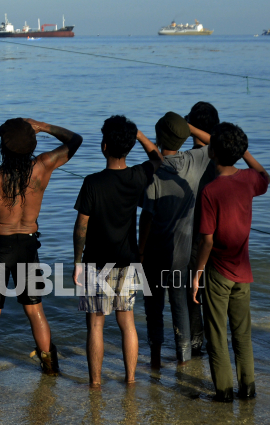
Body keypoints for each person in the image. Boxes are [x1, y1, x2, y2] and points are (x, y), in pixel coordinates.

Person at [0, 118, 82, 383]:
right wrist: (43, 126)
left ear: (3, 147)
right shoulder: (41, 167)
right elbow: (75, 140)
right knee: (35, 309)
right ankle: (50, 369)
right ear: (32, 145)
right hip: (28, 245)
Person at [72, 115, 162, 388]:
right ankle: (131, 379)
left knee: (96, 325)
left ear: (103, 146)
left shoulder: (92, 182)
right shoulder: (137, 177)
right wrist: (140, 136)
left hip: (96, 262)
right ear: (129, 146)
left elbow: (81, 227)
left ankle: (95, 383)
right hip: (128, 260)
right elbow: (158, 159)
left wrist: (77, 260)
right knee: (128, 323)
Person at [192, 123, 270, 402]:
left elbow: (207, 241)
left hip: (218, 272)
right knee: (242, 334)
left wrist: (197, 274)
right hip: (243, 271)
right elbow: (264, 175)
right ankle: (248, 390)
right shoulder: (249, 179)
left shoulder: (210, 191)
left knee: (216, 334)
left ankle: (223, 393)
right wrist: (244, 151)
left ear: (212, 151)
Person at [138, 113, 212, 368]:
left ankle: (156, 360)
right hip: (180, 255)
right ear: (184, 137)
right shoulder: (195, 161)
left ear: (159, 138)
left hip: (154, 254)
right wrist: (190, 127)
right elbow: (216, 141)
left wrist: (140, 251)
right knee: (179, 305)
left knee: (154, 308)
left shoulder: (154, 173)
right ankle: (184, 360)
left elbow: (146, 218)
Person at [184, 101, 219, 356]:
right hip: (217, 237)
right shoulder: (221, 158)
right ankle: (217, 348)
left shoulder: (182, 160)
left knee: (192, 298)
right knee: (214, 300)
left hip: (190, 238)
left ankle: (194, 349)